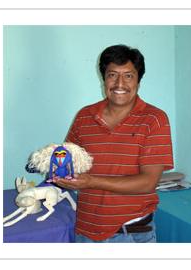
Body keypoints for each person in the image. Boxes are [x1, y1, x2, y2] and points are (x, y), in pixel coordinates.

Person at [54, 44, 174, 243]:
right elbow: (66, 160)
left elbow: (148, 183)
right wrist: (59, 173)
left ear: (138, 80)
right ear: (103, 78)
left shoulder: (155, 119)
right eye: (112, 75)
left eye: (128, 75)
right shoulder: (84, 116)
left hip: (131, 235)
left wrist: (91, 181)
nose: (120, 83)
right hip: (84, 232)